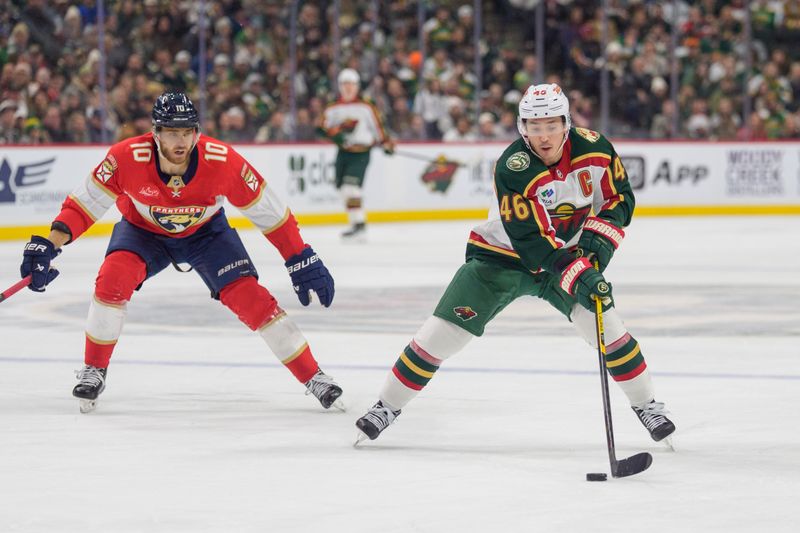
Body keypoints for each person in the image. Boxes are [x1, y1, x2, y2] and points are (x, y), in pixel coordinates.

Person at [355, 83, 675, 445]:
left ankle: (647, 405)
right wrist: (577, 272)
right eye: (534, 126)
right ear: (522, 127)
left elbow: (619, 199)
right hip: (502, 258)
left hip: (568, 257)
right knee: (442, 334)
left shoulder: (596, 148)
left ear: (566, 123)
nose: (543, 136)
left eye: (551, 125)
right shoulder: (514, 166)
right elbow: (530, 241)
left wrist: (595, 249)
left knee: (608, 330)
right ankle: (387, 406)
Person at [20, 92, 343, 414]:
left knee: (251, 299)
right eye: (172, 132)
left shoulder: (224, 162)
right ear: (155, 133)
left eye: (188, 131)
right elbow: (84, 204)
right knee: (111, 281)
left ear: (197, 132)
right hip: (143, 232)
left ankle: (314, 376)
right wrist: (49, 244)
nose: (181, 140)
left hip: (207, 235)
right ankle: (94, 369)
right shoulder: (126, 157)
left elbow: (270, 213)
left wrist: (299, 257)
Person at [318, 68, 395, 241]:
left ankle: (360, 224)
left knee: (352, 187)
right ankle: (355, 224)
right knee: (342, 189)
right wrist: (334, 134)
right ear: (339, 86)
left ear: (357, 86)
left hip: (361, 152)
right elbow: (323, 127)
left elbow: (378, 126)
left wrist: (385, 141)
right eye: (345, 84)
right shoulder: (332, 108)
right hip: (343, 152)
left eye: (351, 84)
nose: (348, 87)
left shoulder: (366, 106)